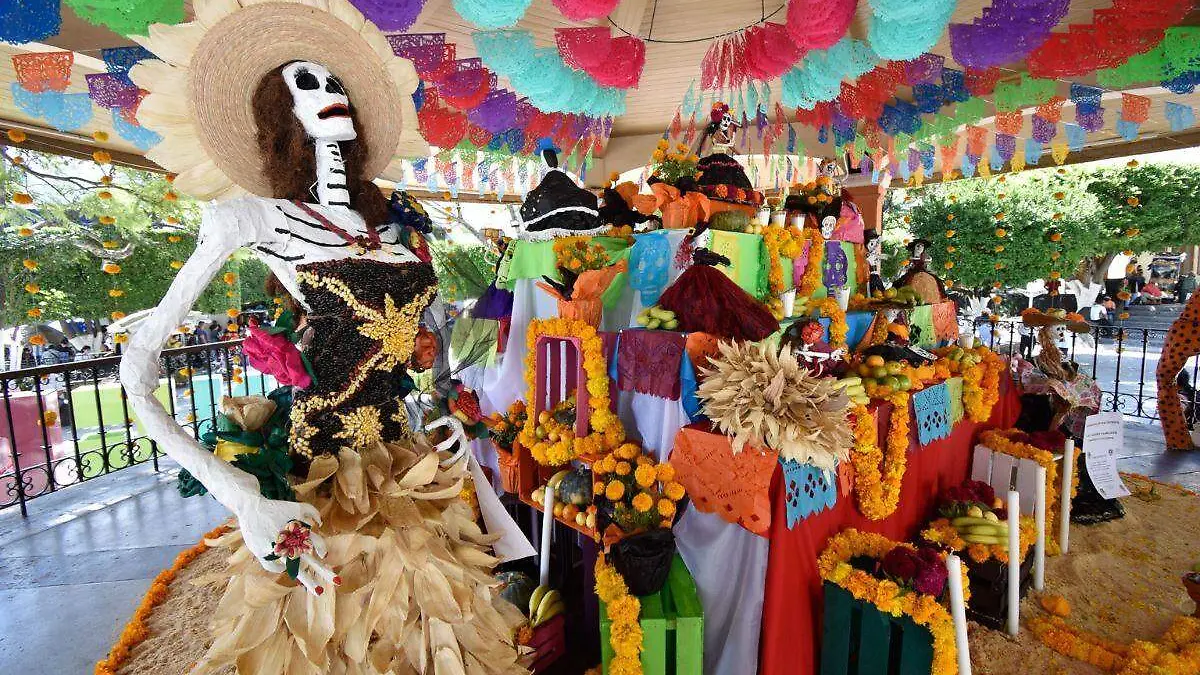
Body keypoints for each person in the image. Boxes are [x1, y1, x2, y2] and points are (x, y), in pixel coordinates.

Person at [116, 2, 531, 670]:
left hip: (405, 460)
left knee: (431, 628)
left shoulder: (391, 232)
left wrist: (431, 380)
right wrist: (243, 498)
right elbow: (135, 372)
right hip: (321, 472)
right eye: (308, 84)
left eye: (335, 85)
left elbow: (413, 345)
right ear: (283, 110)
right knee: (336, 636)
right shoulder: (250, 216)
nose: (329, 95)